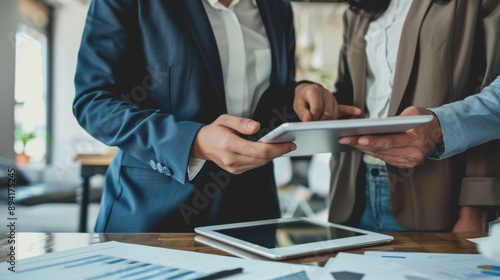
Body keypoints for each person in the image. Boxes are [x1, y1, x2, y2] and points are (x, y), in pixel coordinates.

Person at [73, 0, 354, 232]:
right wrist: (192, 141)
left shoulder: (278, 8)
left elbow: (272, 96)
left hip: (253, 215)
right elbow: (93, 101)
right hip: (153, 215)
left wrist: (299, 91)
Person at [327, 0, 500, 233]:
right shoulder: (356, 11)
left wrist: (475, 206)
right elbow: (350, 97)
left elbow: (489, 95)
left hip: (437, 197)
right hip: (353, 196)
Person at [339, 75, 500, 166]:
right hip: (353, 179)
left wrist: (441, 124)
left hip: (438, 183)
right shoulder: (354, 16)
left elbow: (485, 71)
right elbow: (345, 92)